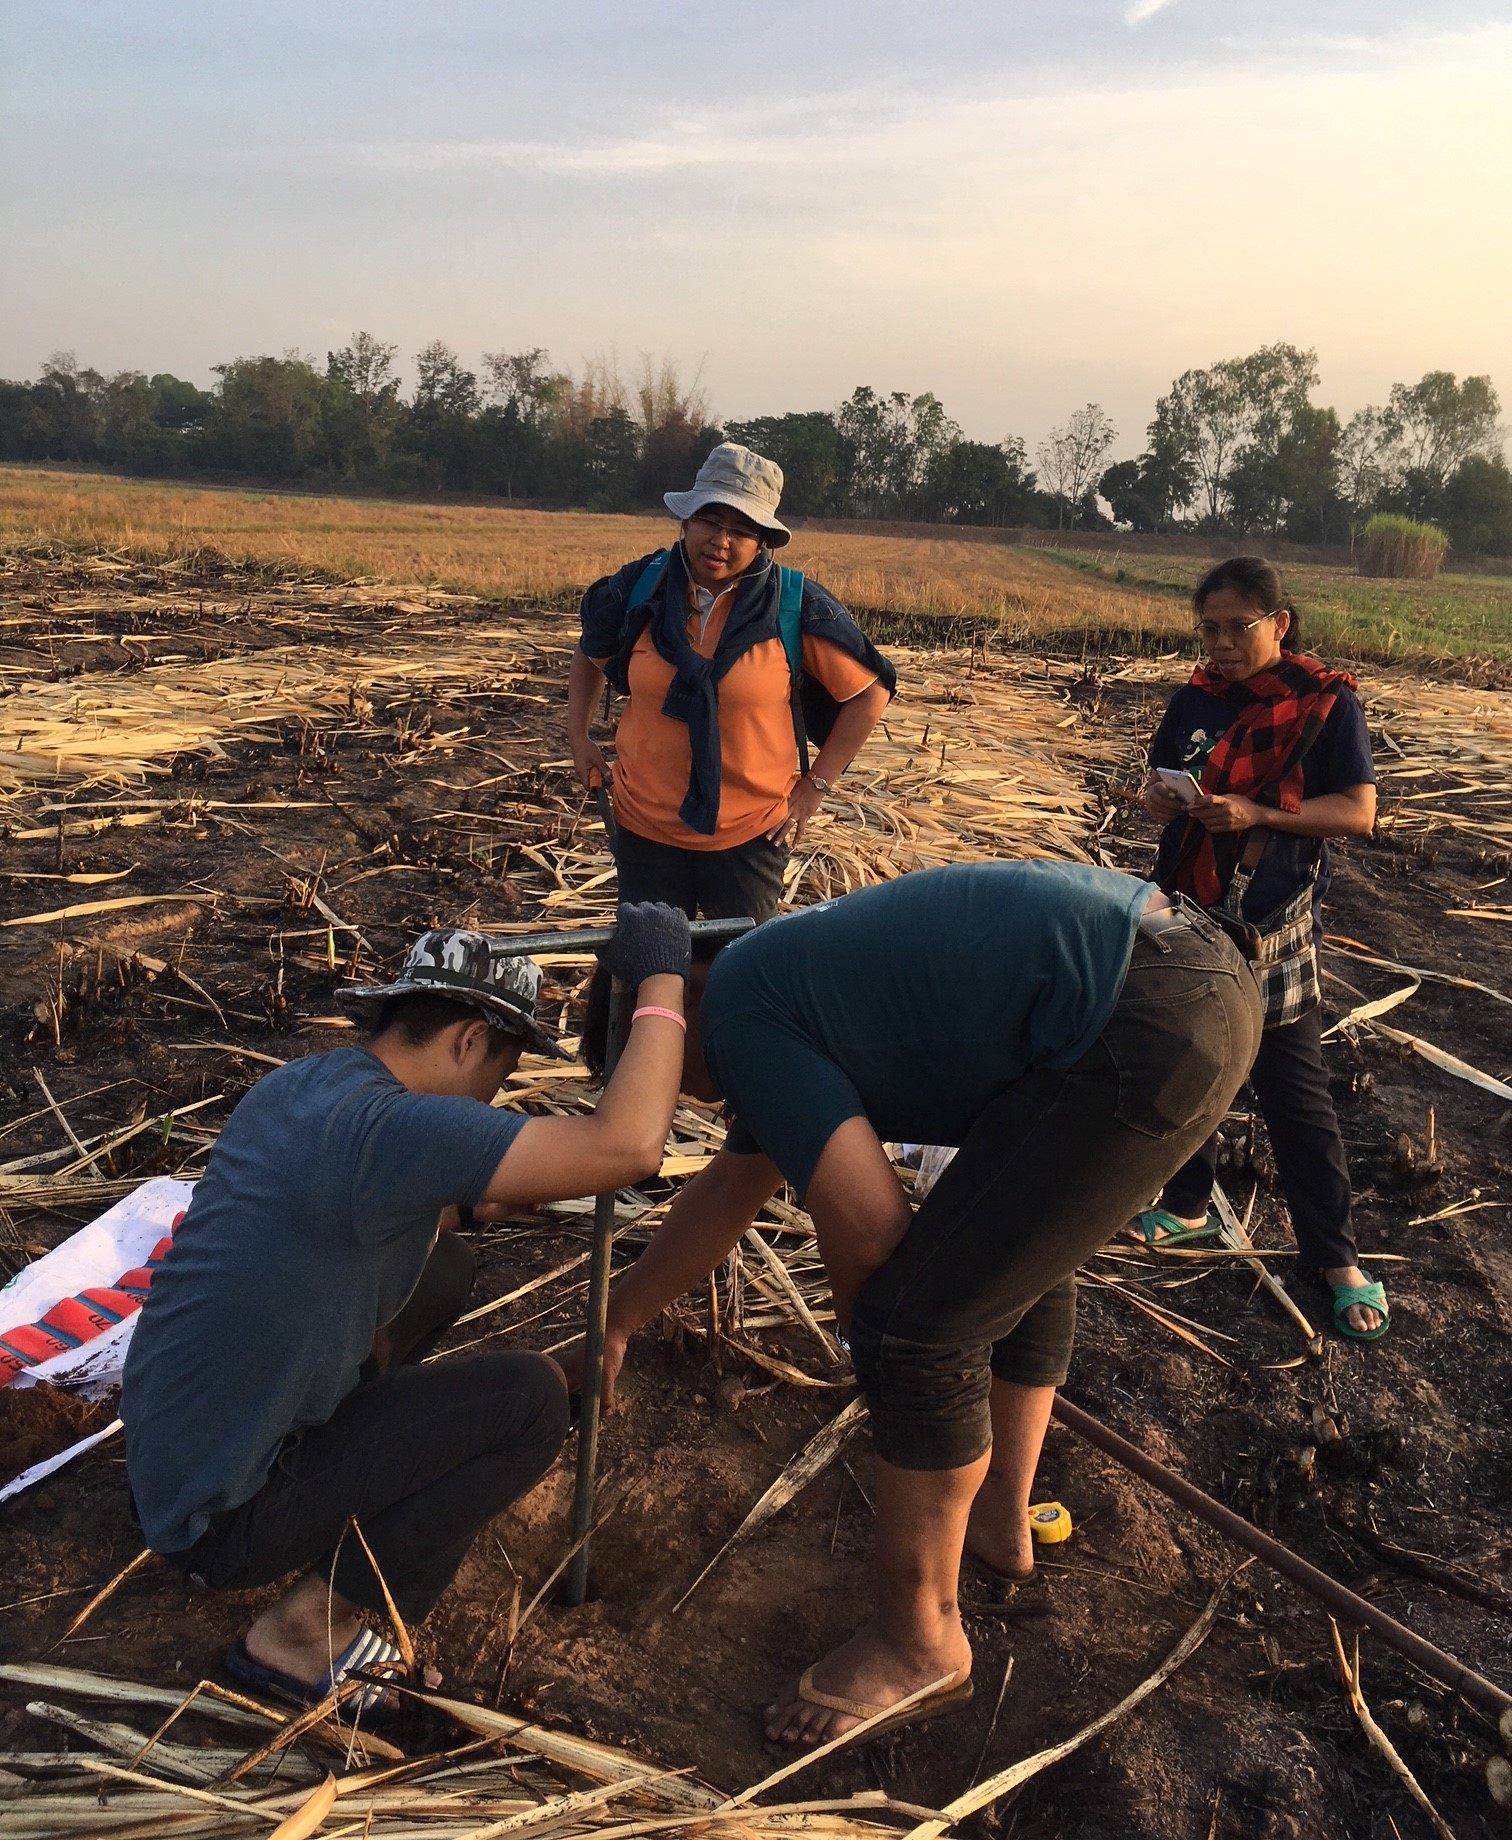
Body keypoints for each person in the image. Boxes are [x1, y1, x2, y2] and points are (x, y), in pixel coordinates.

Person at [577, 861, 1262, 1746]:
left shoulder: (744, 1010)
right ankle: (998, 1520)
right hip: (1191, 980)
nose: (699, 1101)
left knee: (915, 1328)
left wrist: (893, 1380)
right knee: (1003, 1255)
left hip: (1141, 1016)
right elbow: (731, 1190)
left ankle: (919, 1641)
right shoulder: (781, 979)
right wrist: (617, 1320)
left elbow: (866, 1227)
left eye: (674, 1079)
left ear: (670, 1020)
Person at [121, 907, 692, 1720]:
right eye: (504, 1066)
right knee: (528, 1404)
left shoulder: (309, 1087)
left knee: (442, 1264)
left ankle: (348, 1469)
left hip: (169, 1466)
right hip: (219, 1522)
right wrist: (661, 980)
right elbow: (629, 1146)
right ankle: (300, 1636)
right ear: (467, 1040)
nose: (496, 1093)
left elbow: (418, 1205)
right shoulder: (394, 1130)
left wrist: (501, 1195)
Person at [1128, 556, 1384, 1340]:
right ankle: (1187, 1206)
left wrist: (1256, 815)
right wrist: (1165, 799)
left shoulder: (1325, 705)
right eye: (1208, 628)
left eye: (1238, 627)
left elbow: (1358, 812)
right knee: (1192, 1062)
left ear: (1280, 622)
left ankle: (1336, 1258)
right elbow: (1153, 786)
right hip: (1190, 907)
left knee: (1293, 1093)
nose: (1221, 643)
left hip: (1271, 921)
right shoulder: (1195, 700)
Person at [568, 442, 895, 927]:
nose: (721, 540)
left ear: (763, 540)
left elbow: (869, 694)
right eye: (710, 520)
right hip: (644, 827)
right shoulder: (642, 588)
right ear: (686, 521)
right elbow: (590, 651)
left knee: (739, 976)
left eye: (741, 529)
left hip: (751, 836)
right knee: (650, 973)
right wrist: (578, 736)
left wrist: (816, 787)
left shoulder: (793, 605)